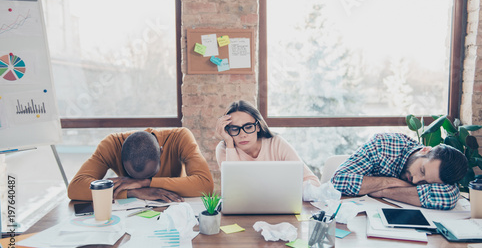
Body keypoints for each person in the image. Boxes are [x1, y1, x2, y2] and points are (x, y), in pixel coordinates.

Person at [67, 127, 214, 202]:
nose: (137, 183)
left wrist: (146, 182)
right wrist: (132, 192)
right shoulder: (111, 145)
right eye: (132, 177)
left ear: (161, 152)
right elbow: (75, 188)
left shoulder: (180, 137)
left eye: (150, 175)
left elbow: (205, 185)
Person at [331, 132, 468, 210]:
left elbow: (449, 196)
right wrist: (390, 182)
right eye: (421, 170)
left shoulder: (439, 173)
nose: (415, 181)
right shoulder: (383, 145)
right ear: (424, 150)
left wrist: (382, 192)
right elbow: (338, 181)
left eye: (424, 182)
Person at [215, 100, 321, 193]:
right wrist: (229, 143)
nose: (242, 134)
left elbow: (313, 182)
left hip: (280, 205)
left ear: (258, 127)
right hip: (243, 210)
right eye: (234, 129)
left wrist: (285, 190)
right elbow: (234, 190)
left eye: (248, 127)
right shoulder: (224, 148)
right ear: (227, 131)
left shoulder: (276, 143)